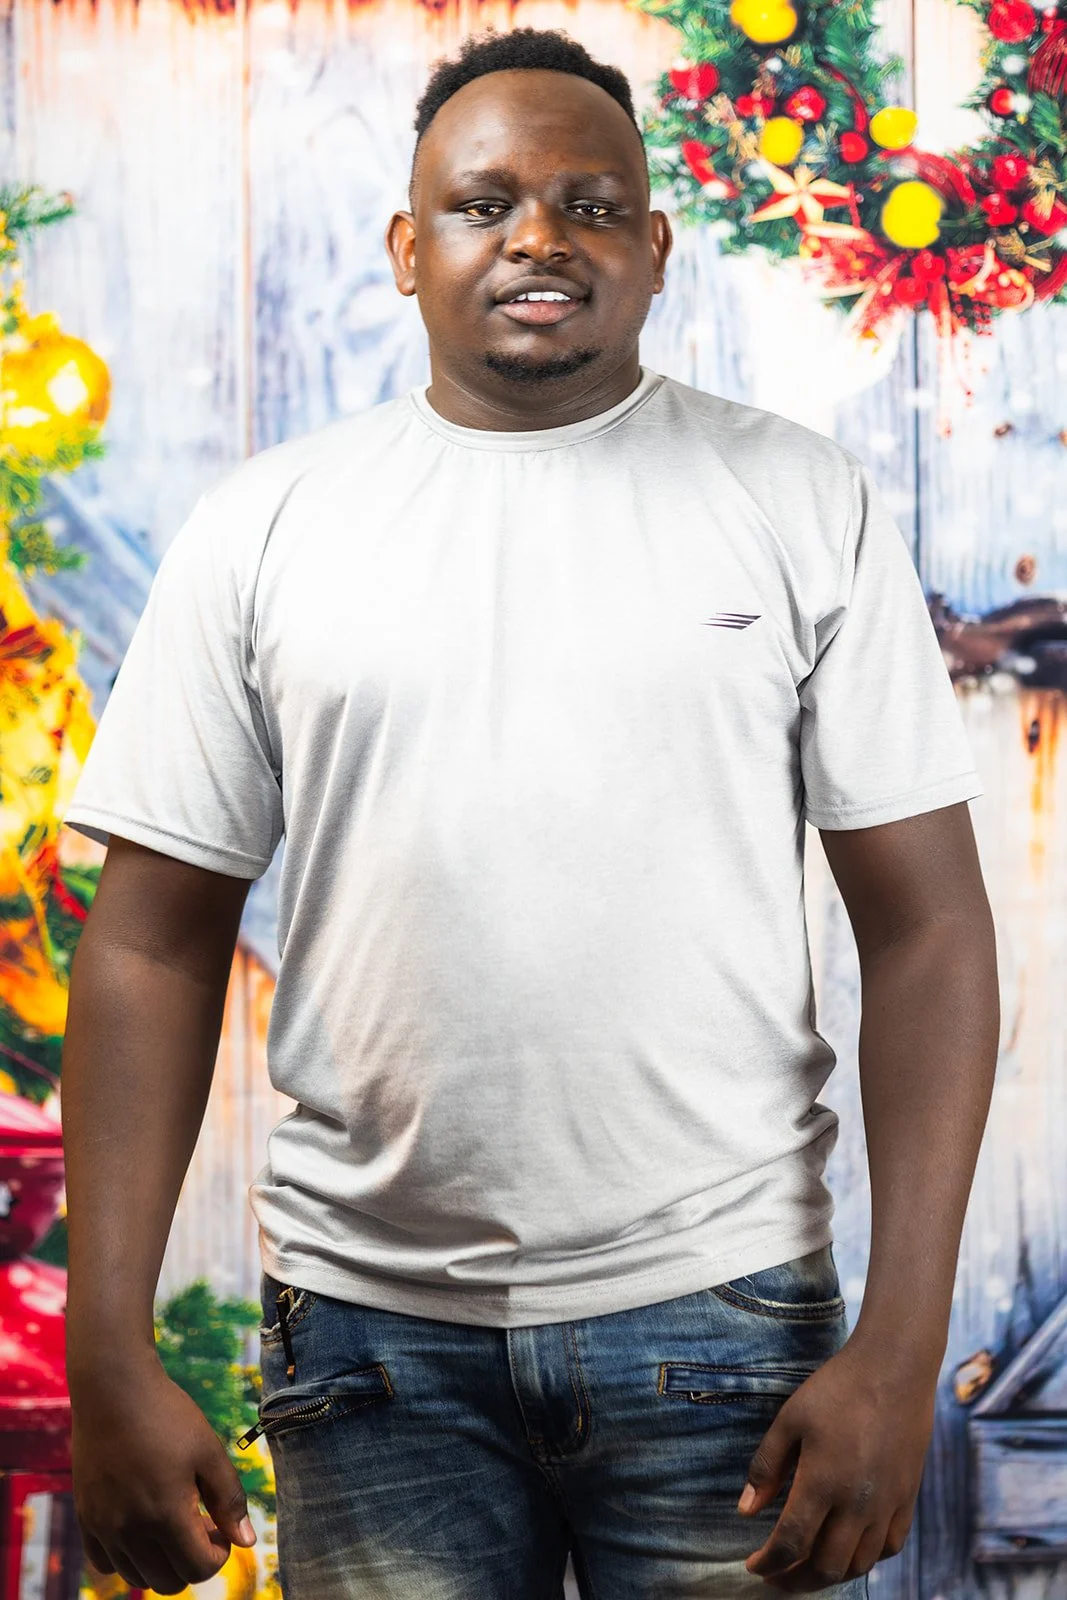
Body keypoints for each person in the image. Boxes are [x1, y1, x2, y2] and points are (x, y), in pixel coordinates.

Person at [60, 24, 1000, 1600]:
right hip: (368, 1344)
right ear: (405, 246)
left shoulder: (792, 501)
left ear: (655, 246)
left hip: (721, 1325)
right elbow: (150, 946)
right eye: (484, 203)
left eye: (588, 203)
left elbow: (927, 931)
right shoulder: (266, 530)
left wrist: (900, 1349)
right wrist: (107, 1349)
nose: (538, 239)